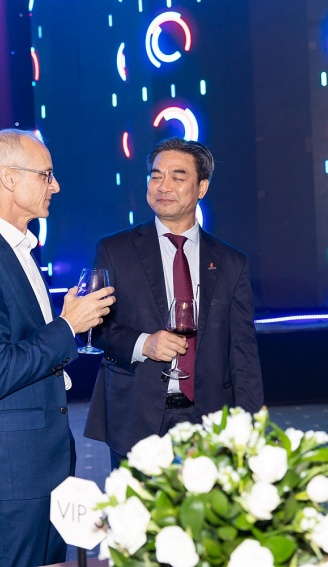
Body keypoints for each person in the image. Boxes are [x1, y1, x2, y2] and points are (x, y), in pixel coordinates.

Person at [0, 129, 115, 567]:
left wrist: (64, 325)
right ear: (8, 178)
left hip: (38, 457)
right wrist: (67, 326)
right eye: (46, 175)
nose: (56, 186)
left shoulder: (15, 247)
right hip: (9, 468)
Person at [83, 137, 264, 465]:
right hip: (136, 417)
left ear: (201, 188)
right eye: (156, 176)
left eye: (178, 177)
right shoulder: (115, 250)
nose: (163, 186)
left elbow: (243, 353)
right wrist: (144, 343)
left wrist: (251, 427)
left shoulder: (230, 262)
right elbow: (92, 329)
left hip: (211, 418)